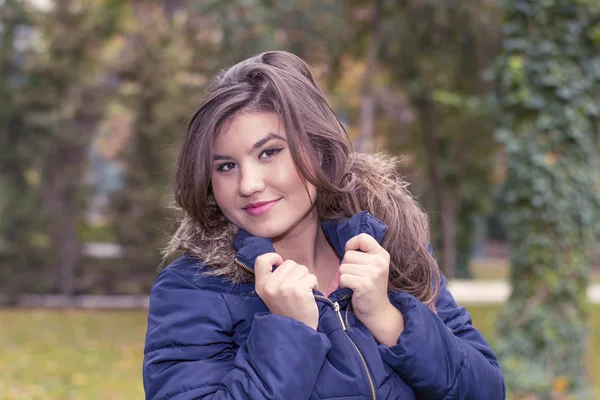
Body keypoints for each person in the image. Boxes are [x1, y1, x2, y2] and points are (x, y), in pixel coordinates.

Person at [142, 50, 505, 400]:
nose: (248, 184)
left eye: (269, 152)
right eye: (225, 166)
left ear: (317, 150)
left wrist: (388, 319)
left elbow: (486, 390)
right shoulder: (192, 289)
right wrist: (290, 332)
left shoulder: (394, 251)